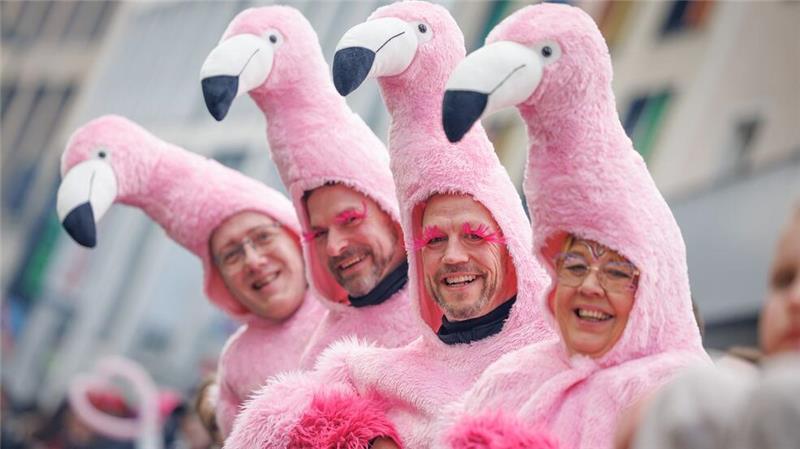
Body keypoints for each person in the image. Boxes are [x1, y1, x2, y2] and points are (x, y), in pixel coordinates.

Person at [224, 3, 553, 448]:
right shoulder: (363, 378)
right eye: (434, 240)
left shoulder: (564, 366)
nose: (453, 255)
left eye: (474, 235)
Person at [438, 4, 709, 448]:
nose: (589, 286)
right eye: (574, 266)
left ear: (653, 286)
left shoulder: (679, 398)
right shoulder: (509, 380)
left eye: (618, 271)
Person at [56, 115, 324, 438]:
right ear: (221, 282)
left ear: (296, 238)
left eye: (263, 237)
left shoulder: (356, 308)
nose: (253, 260)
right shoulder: (237, 368)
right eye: (232, 255)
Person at [200, 5, 421, 369]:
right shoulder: (321, 359)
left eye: (350, 219)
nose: (334, 246)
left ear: (390, 209)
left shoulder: (459, 302)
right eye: (317, 233)